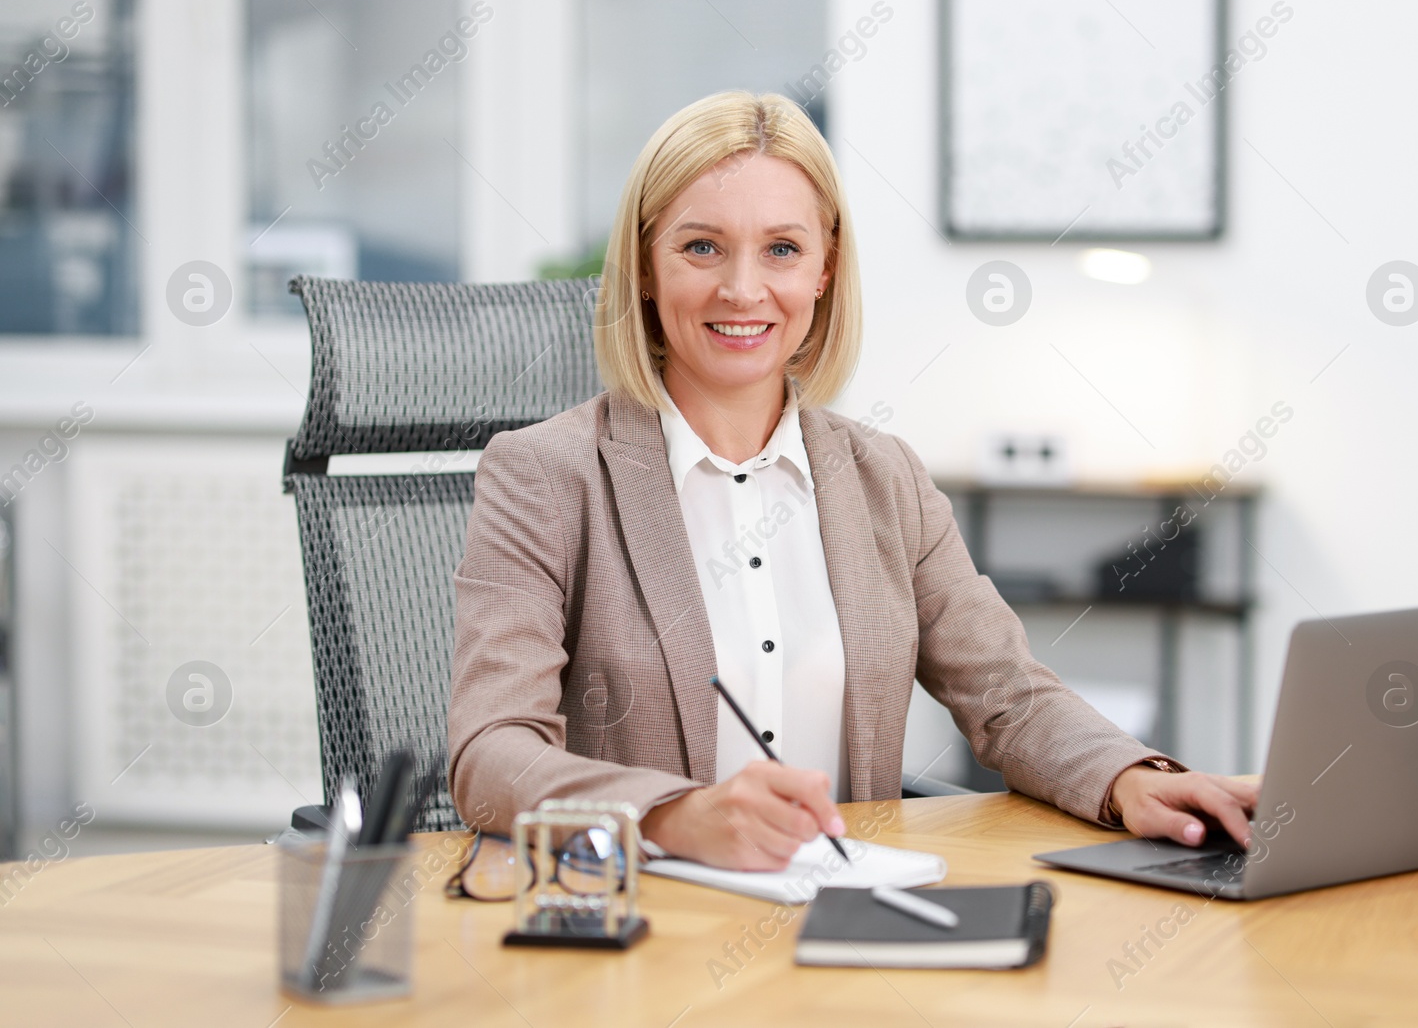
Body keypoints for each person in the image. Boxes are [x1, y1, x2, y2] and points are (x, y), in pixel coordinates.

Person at [447, 90, 1257, 869]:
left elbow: (1008, 696)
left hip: (850, 919)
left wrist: (1131, 780)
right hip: (653, 929)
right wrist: (673, 815)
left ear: (824, 270)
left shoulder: (885, 478)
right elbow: (491, 754)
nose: (742, 288)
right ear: (646, 268)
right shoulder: (545, 477)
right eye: (701, 246)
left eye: (783, 249)